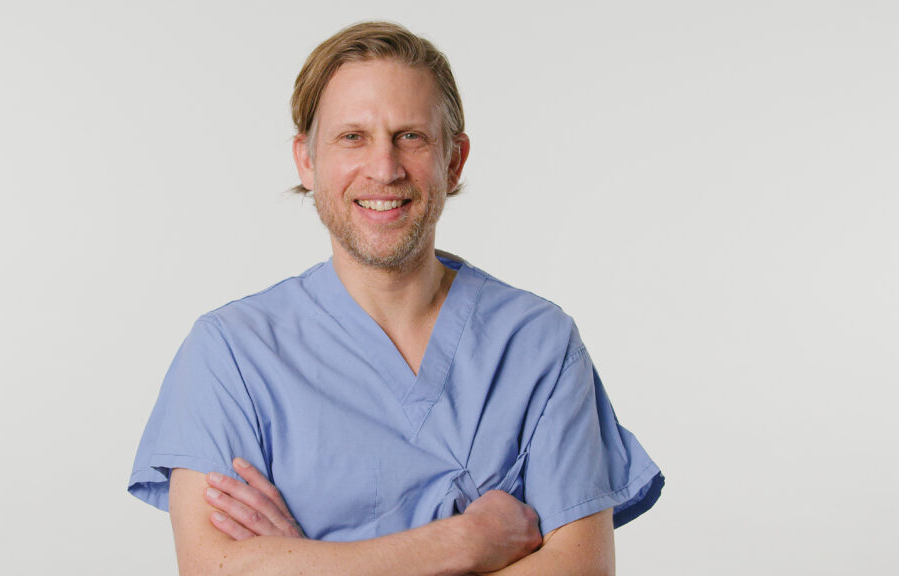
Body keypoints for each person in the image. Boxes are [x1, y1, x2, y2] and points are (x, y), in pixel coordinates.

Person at [128, 21, 663, 575]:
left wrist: (311, 564)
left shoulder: (537, 344)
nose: (383, 169)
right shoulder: (231, 354)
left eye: (411, 136)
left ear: (453, 162)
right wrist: (465, 542)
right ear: (307, 161)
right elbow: (214, 568)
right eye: (352, 137)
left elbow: (580, 570)